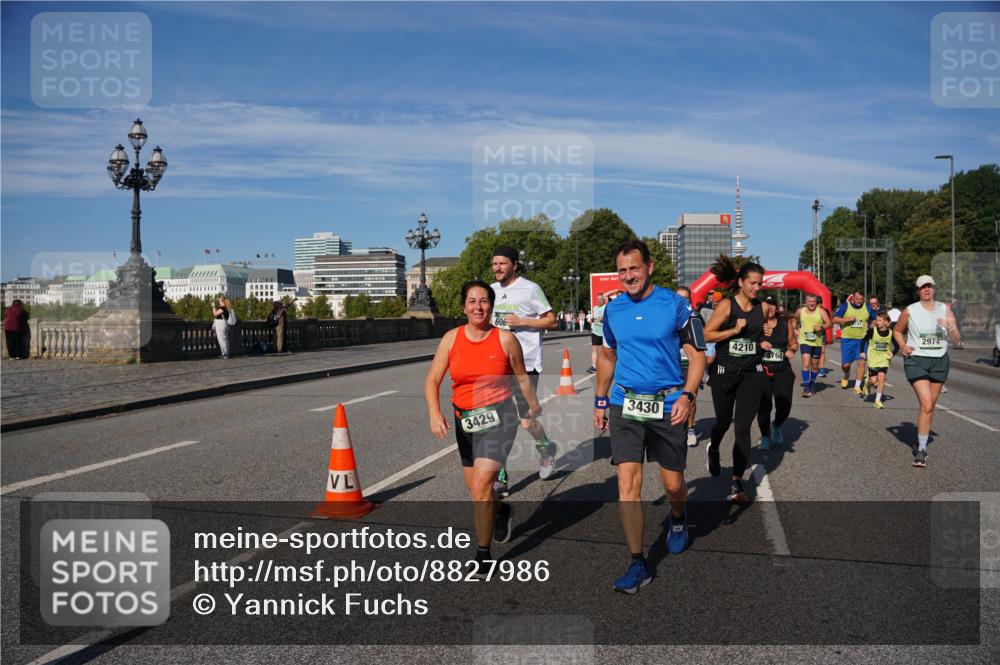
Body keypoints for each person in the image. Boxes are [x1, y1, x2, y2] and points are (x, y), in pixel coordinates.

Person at [594, 239, 705, 593]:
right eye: (622, 270)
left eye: (634, 268)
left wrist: (688, 396)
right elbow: (608, 356)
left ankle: (677, 517)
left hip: (668, 404)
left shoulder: (676, 305)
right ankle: (638, 562)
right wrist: (600, 400)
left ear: (650, 267)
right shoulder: (612, 311)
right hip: (624, 403)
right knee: (628, 485)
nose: (629, 276)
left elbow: (698, 356)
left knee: (673, 485)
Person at [425, 280, 542, 575]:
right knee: (478, 490)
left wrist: (530, 406)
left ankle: (483, 554)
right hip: (464, 419)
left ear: (492, 306)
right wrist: (434, 413)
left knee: (479, 487)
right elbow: (432, 380)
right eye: (472, 301)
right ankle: (501, 510)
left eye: (484, 301)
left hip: (499, 417)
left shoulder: (505, 340)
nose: (478, 307)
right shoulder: (451, 339)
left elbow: (521, 377)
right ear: (464, 306)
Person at [490, 246, 559, 489]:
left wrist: (522, 321)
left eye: (502, 263)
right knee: (499, 422)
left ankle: (546, 448)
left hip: (526, 363)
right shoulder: (490, 291)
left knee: (527, 421)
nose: (497, 268)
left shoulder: (530, 289)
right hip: (498, 364)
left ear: (514, 265)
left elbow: (551, 321)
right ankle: (500, 474)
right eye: (494, 263)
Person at [704, 255, 767, 504]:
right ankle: (715, 447)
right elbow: (707, 334)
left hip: (751, 372)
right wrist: (733, 330)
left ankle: (737, 483)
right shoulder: (727, 306)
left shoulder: (762, 308)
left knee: (742, 427)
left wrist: (766, 337)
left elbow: (762, 336)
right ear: (741, 282)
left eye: (759, 283)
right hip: (724, 372)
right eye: (752, 283)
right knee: (723, 421)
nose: (756, 287)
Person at [893, 275, 961, 468]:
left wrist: (951, 329)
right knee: (927, 402)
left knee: (929, 408)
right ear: (918, 290)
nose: (927, 290)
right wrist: (902, 345)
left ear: (934, 289)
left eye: (930, 286)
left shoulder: (945, 310)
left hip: (939, 361)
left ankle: (919, 441)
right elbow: (897, 330)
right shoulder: (910, 310)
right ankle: (921, 450)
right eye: (923, 287)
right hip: (916, 360)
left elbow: (956, 340)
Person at [757, 296, 797, 449]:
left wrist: (792, 350)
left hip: (782, 369)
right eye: (767, 305)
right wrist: (760, 343)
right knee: (763, 406)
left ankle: (777, 424)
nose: (770, 307)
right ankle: (765, 436)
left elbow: (793, 342)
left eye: (773, 304)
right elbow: (749, 340)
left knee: (784, 405)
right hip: (762, 370)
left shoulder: (784, 324)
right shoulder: (757, 324)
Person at [833, 290, 878, 394]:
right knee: (846, 365)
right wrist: (846, 319)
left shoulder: (867, 307)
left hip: (862, 340)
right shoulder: (845, 306)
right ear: (853, 297)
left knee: (861, 362)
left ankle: (857, 386)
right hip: (847, 340)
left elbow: (875, 319)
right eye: (857, 299)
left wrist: (874, 324)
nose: (859, 301)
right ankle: (846, 374)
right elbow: (834, 319)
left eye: (861, 300)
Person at [675, 286, 701, 447]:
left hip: (690, 365)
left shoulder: (695, 317)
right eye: (679, 298)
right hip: (671, 366)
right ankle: (676, 429)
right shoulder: (665, 316)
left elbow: (701, 345)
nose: (682, 302)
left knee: (690, 398)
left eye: (685, 299)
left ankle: (690, 429)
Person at [795, 294, 831, 398]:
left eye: (813, 302)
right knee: (806, 363)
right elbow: (793, 319)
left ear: (816, 302)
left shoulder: (821, 311)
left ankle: (812, 382)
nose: (811, 304)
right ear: (806, 302)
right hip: (805, 341)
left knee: (815, 366)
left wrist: (822, 326)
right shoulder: (800, 311)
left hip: (817, 342)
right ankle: (806, 387)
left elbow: (829, 323)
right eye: (809, 302)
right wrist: (794, 329)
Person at [861, 309, 898, 408]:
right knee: (873, 381)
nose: (878, 322)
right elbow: (863, 340)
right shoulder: (872, 331)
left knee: (881, 378)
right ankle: (867, 383)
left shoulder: (891, 333)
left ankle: (877, 401)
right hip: (873, 359)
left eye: (880, 320)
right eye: (877, 320)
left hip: (884, 359)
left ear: (886, 322)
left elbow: (897, 346)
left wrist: (892, 353)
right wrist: (862, 352)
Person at [588, 292, 607, 374]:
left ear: (603, 300)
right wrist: (591, 320)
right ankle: (594, 366)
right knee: (594, 349)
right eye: (597, 299)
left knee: (605, 350)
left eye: (600, 299)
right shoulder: (594, 308)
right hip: (595, 331)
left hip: (604, 332)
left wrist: (603, 319)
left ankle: (605, 365)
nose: (599, 300)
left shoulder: (606, 307)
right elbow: (593, 317)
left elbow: (609, 318)